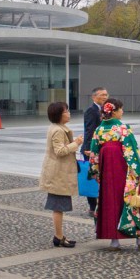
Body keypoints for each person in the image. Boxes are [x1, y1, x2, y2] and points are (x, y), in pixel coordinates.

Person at [89, 97, 140, 250]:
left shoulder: (99, 130)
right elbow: (131, 151)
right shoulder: (123, 128)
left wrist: (96, 173)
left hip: (107, 172)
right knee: (131, 200)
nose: (122, 112)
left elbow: (94, 154)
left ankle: (114, 241)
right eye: (121, 109)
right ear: (115, 111)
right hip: (123, 171)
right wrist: (138, 172)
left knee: (110, 201)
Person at [40, 101, 84, 248]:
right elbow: (60, 151)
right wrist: (76, 143)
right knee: (58, 207)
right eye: (66, 111)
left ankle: (59, 235)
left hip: (58, 173)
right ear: (59, 114)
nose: (69, 113)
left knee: (59, 206)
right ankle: (58, 237)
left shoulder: (58, 128)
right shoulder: (58, 130)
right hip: (58, 175)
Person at [82, 86, 108, 220]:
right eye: (102, 95)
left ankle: (99, 204)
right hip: (91, 150)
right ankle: (92, 207)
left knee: (99, 177)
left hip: (101, 149)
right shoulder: (91, 111)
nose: (105, 97)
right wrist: (89, 149)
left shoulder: (104, 110)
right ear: (94, 97)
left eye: (106, 94)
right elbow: (89, 131)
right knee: (92, 177)